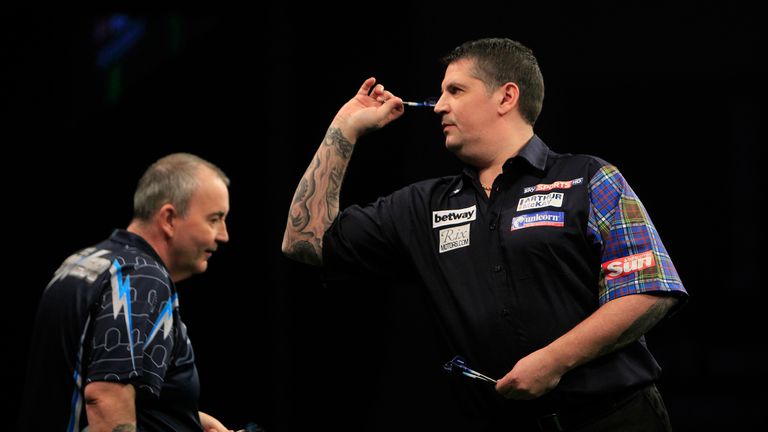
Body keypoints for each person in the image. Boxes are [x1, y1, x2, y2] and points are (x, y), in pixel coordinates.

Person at [282, 38, 688, 431]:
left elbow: (649, 290)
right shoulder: (423, 206)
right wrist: (344, 128)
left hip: (616, 418)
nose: (439, 105)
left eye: (455, 90)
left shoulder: (589, 178)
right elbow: (305, 242)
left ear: (506, 97)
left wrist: (553, 361)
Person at [18, 153, 234, 432]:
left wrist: (186, 419)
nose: (223, 235)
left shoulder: (82, 262)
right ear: (169, 218)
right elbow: (106, 400)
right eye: (214, 219)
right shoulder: (142, 276)